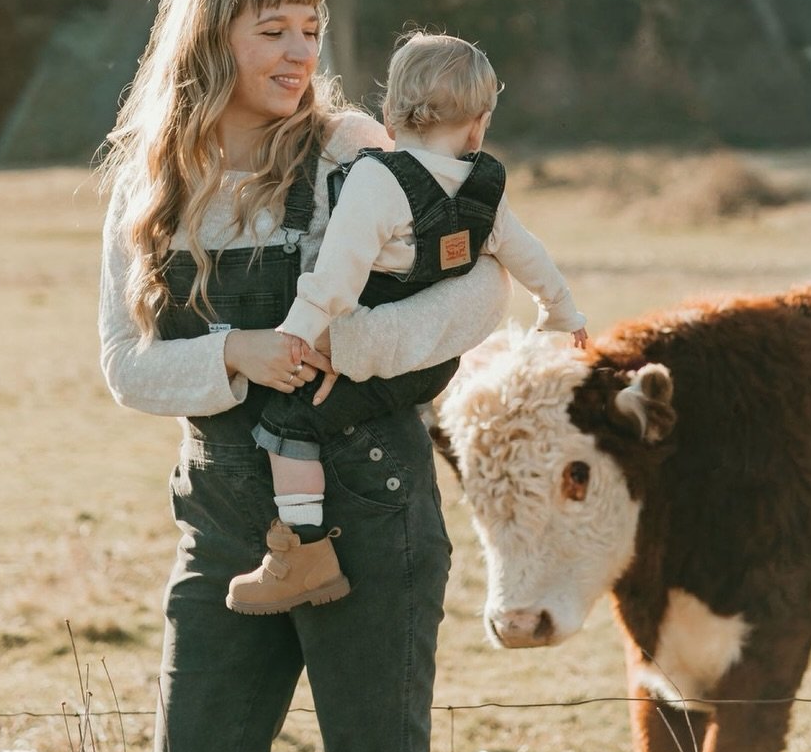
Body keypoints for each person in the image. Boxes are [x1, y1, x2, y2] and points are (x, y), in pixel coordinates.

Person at [97, 0, 510, 752]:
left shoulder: (352, 151)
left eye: (311, 29)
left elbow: (481, 289)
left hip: (369, 504)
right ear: (210, 38)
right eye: (271, 29)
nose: (299, 53)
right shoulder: (153, 183)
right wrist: (237, 352)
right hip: (225, 518)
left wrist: (357, 342)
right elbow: (126, 365)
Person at [228, 30, 587, 616]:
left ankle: (303, 553)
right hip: (432, 365)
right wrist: (562, 312)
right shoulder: (485, 188)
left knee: (289, 423)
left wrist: (298, 332)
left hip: (365, 339)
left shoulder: (378, 180)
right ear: (479, 126)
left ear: (390, 116)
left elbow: (338, 272)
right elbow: (530, 257)